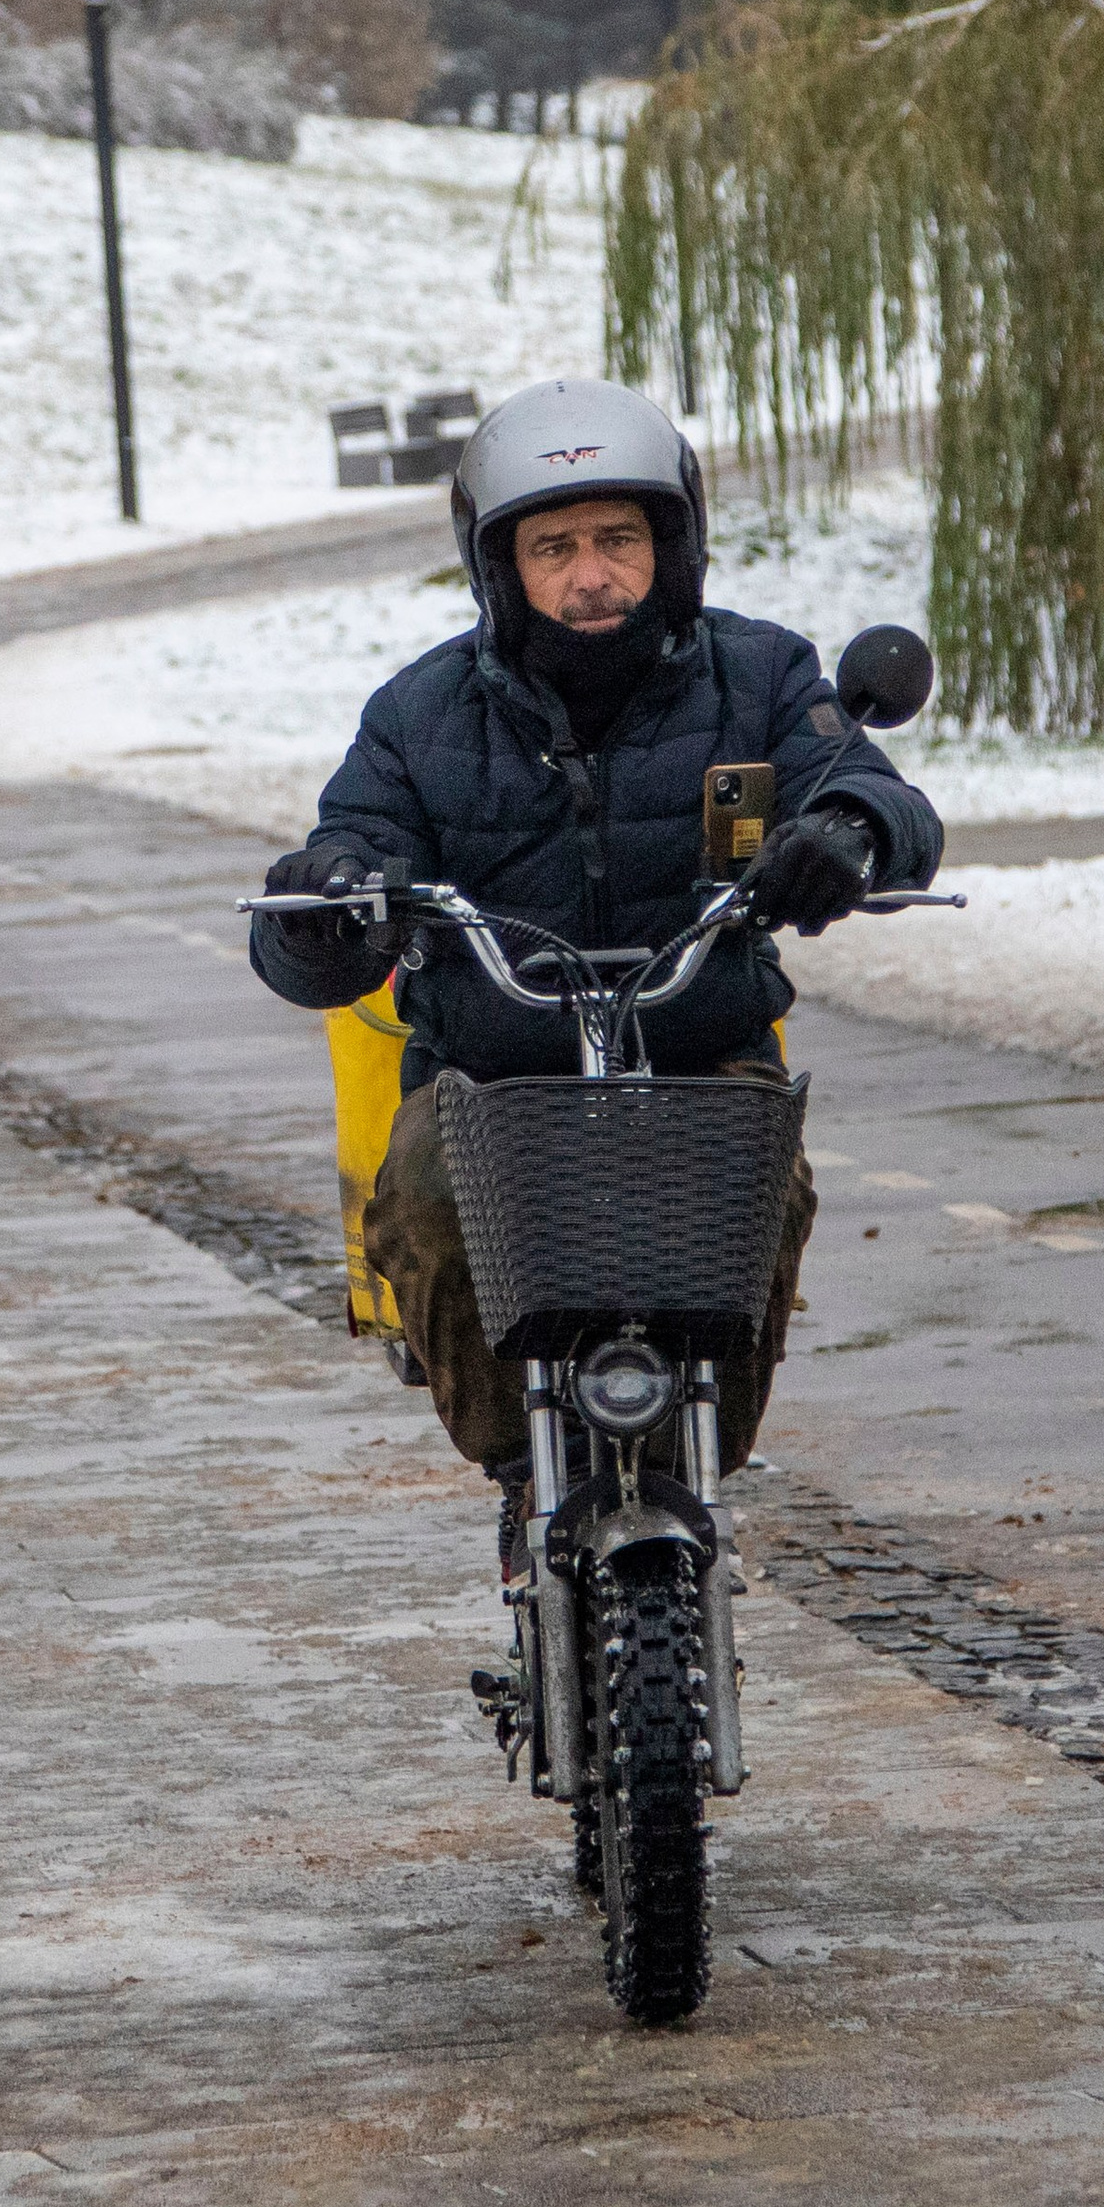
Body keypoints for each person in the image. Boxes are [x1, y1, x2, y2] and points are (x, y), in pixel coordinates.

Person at [250, 376, 942, 1481]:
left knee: (769, 1195)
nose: (590, 575)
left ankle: (693, 1471)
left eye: (618, 538)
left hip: (702, 1055)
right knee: (421, 1194)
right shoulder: (418, 716)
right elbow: (336, 863)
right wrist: (331, 904)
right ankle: (525, 1479)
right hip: (488, 1078)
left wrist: (846, 834)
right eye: (553, 546)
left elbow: (872, 788)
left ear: (673, 544)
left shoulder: (758, 677)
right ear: (500, 568)